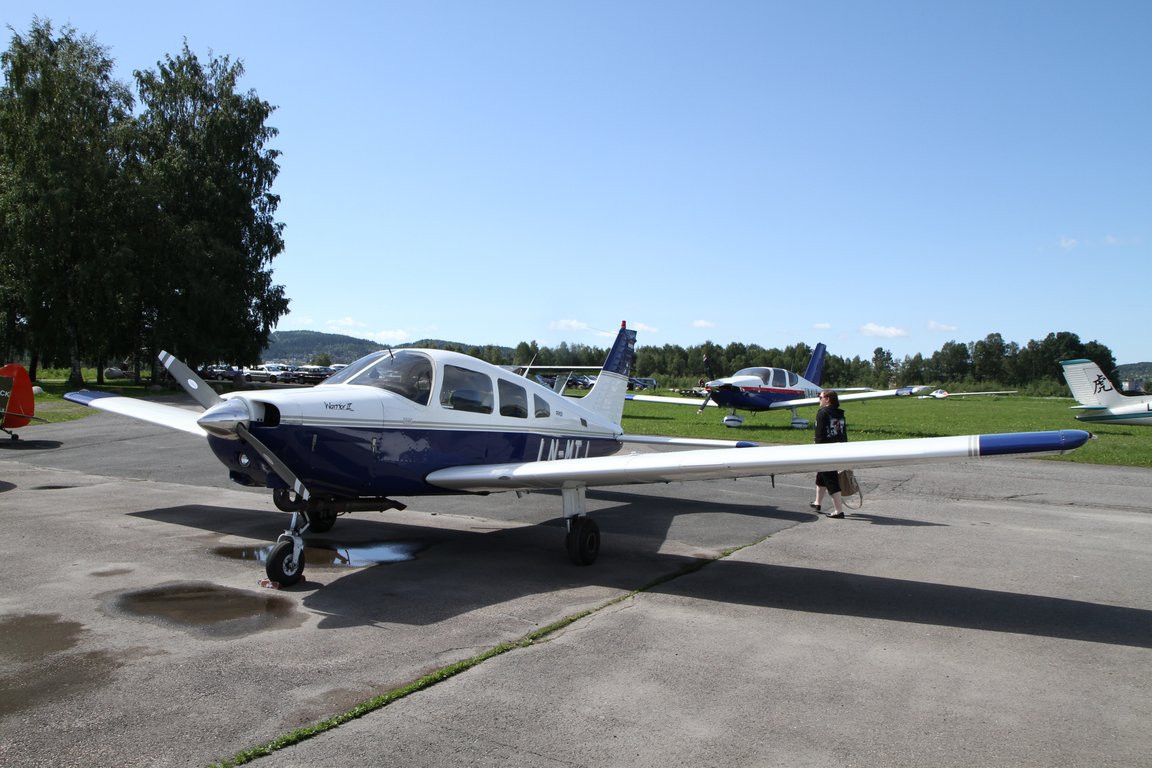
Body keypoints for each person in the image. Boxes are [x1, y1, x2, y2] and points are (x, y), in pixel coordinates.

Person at [810, 390, 848, 518]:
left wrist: (817, 450)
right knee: (821, 476)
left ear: (827, 399)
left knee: (830, 479)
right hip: (838, 449)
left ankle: (839, 511)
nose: (819, 400)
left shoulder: (822, 413)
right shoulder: (840, 413)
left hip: (825, 451)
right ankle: (817, 502)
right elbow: (843, 433)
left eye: (820, 397)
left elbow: (819, 435)